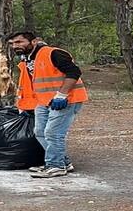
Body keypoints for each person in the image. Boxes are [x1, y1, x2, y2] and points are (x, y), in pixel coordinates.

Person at [8, 31, 88, 178]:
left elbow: (74, 72)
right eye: (12, 43)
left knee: (53, 133)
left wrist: (62, 95)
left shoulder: (53, 53)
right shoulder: (28, 59)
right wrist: (24, 104)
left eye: (19, 42)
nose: (15, 46)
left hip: (65, 100)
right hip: (44, 101)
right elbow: (30, 83)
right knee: (39, 132)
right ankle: (62, 162)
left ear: (33, 42)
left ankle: (55, 166)